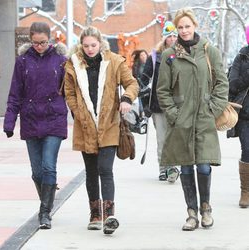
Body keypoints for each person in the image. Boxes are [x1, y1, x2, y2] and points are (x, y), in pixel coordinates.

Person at [157, 8, 228, 231]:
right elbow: (162, 91)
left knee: (204, 166)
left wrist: (213, 109)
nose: (184, 30)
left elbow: (222, 83)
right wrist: (174, 114)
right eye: (180, 27)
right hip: (182, 121)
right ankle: (191, 213)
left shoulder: (209, 51)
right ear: (175, 29)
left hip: (205, 120)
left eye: (188, 26)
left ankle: (206, 209)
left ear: (195, 26)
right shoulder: (169, 56)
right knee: (186, 168)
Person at [64, 26, 138, 235]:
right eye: (86, 46)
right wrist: (77, 111)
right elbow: (68, 92)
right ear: (81, 46)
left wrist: (126, 99)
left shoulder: (114, 61)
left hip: (109, 123)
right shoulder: (73, 64)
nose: (89, 49)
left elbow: (132, 83)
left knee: (105, 169)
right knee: (91, 171)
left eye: (93, 45)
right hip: (85, 124)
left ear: (100, 43)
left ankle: (109, 216)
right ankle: (95, 214)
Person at [3, 22, 68, 229]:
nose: (39, 46)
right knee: (37, 172)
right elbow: (15, 93)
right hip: (31, 119)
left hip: (54, 118)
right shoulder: (22, 61)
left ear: (50, 39)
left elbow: (71, 92)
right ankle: (47, 199)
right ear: (30, 41)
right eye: (35, 43)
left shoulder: (61, 60)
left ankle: (45, 212)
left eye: (43, 42)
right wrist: (10, 121)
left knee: (49, 166)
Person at [140, 21, 179, 182]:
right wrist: (145, 104)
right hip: (158, 105)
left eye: (175, 35)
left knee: (176, 138)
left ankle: (174, 167)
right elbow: (143, 81)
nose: (172, 38)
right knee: (163, 138)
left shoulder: (183, 55)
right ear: (164, 38)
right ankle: (164, 168)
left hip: (178, 104)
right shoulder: (155, 56)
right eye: (169, 36)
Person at [228, 25, 249, 208]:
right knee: (248, 149)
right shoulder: (241, 58)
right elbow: (232, 85)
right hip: (245, 114)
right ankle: (246, 191)